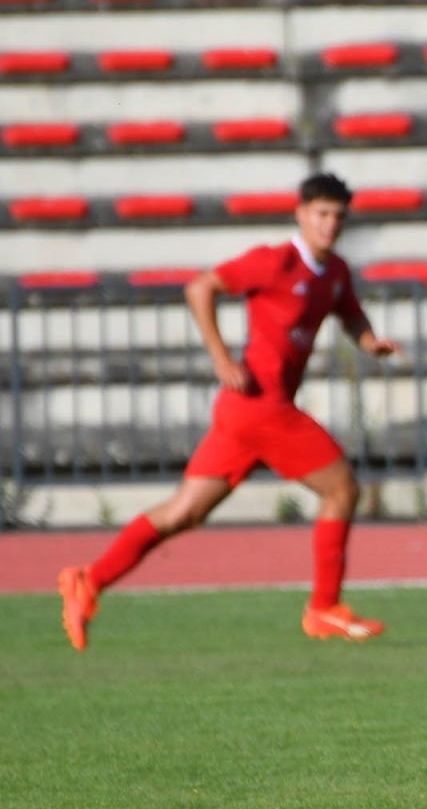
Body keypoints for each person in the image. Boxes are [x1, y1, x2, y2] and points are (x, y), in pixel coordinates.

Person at [56, 172, 397, 650]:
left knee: (184, 512)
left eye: (338, 215)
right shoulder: (272, 261)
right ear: (300, 214)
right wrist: (220, 356)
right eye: (321, 213)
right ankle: (323, 607)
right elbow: (201, 287)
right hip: (262, 407)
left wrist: (368, 340)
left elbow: (349, 312)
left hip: (245, 414)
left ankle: (89, 579)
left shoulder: (335, 272)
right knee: (342, 488)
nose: (330, 224)